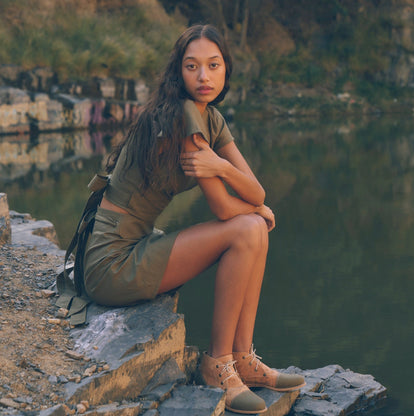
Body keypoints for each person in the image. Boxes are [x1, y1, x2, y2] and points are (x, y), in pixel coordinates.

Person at [82, 24, 305, 414]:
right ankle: (217, 364)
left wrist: (222, 166)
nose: (204, 76)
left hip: (135, 242)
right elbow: (224, 208)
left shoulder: (210, 117)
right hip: (112, 262)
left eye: (213, 65)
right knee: (249, 229)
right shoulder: (183, 114)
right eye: (192, 66)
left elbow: (256, 191)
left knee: (254, 227)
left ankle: (241, 357)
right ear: (178, 72)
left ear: (225, 70)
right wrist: (254, 206)